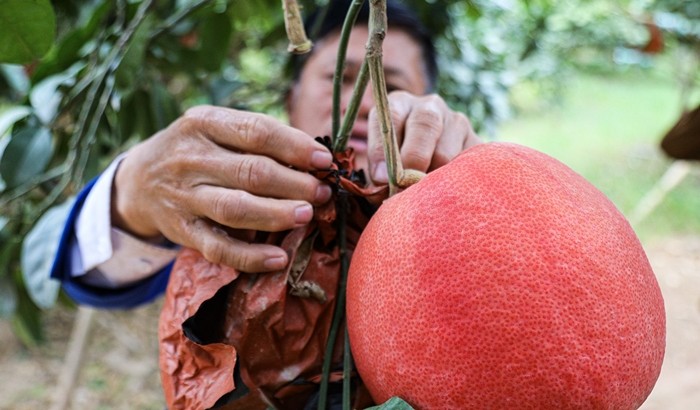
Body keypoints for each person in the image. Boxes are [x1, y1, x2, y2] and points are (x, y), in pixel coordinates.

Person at [50, 0, 481, 407]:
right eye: (344, 79)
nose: (367, 103)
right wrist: (132, 193)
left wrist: (479, 188)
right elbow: (86, 275)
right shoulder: (236, 198)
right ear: (290, 97)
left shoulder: (453, 209)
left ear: (430, 105)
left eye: (392, 86)